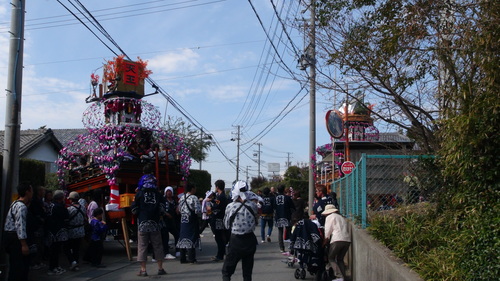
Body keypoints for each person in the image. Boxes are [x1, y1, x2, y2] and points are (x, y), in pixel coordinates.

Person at [222, 181, 258, 281]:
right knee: (247, 273)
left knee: (227, 271)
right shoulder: (253, 205)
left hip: (236, 241)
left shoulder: (230, 206)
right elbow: (255, 221)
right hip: (250, 240)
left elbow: (226, 224)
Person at [131, 179, 167, 276]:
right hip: (155, 224)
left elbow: (134, 210)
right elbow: (163, 208)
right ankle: (160, 268)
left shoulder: (139, 194)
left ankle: (143, 270)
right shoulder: (158, 194)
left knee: (142, 246)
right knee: (158, 246)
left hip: (142, 223)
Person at [3, 183, 33, 281]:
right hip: (16, 239)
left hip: (9, 237)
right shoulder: (21, 207)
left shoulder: (15, 203)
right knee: (19, 268)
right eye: (31, 190)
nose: (32, 193)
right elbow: (20, 226)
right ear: (27, 192)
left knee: (15, 266)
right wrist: (23, 244)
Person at [322, 204, 351, 281]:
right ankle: (343, 277)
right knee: (340, 259)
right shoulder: (341, 217)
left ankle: (339, 276)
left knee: (331, 258)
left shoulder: (329, 217)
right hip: (347, 240)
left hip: (337, 240)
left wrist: (324, 241)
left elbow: (327, 231)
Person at [45, 190, 69, 276]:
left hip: (51, 230)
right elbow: (65, 216)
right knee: (55, 250)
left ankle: (55, 266)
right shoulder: (59, 207)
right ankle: (53, 267)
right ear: (61, 198)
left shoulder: (50, 205)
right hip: (58, 230)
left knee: (54, 250)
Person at [176, 184, 201, 264]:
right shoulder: (194, 198)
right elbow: (198, 211)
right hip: (191, 220)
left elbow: (178, 210)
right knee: (192, 237)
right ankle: (191, 258)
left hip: (183, 220)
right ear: (192, 189)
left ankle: (182, 258)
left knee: (183, 237)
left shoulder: (182, 197)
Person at [64, 191, 87, 271]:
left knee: (68, 247)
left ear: (71, 200)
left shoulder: (69, 209)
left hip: (72, 231)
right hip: (80, 230)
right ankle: (76, 263)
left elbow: (66, 220)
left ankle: (73, 262)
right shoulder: (83, 207)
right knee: (76, 249)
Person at [210, 179, 229, 262]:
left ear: (217, 187)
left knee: (219, 238)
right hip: (222, 219)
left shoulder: (221, 197)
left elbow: (216, 206)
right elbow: (217, 202)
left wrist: (210, 208)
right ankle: (222, 253)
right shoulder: (223, 196)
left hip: (218, 219)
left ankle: (220, 255)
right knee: (221, 237)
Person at [274, 184, 295, 253]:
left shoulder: (275, 198)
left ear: (277, 190)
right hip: (287, 216)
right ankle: (291, 247)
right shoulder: (287, 197)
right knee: (289, 231)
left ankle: (281, 247)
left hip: (278, 216)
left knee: (280, 232)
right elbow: (292, 206)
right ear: (283, 190)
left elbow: (273, 207)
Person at [161, 186, 179, 260]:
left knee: (177, 235)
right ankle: (166, 253)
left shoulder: (174, 200)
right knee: (165, 237)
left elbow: (176, 207)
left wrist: (177, 208)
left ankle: (178, 250)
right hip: (164, 221)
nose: (169, 193)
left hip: (172, 221)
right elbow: (160, 209)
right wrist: (166, 213)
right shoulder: (163, 200)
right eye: (167, 191)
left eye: (170, 191)